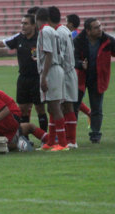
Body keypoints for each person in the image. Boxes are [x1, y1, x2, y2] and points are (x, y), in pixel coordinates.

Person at [0, 14, 48, 132]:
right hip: (23, 78)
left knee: (40, 108)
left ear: (34, 25)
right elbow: (3, 43)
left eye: (26, 23)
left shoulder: (40, 38)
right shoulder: (19, 37)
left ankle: (45, 137)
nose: (22, 26)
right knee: (22, 109)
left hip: (37, 78)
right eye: (22, 23)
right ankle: (25, 138)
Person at [73, 17, 115, 143]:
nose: (100, 29)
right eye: (96, 27)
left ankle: (95, 134)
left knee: (97, 108)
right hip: (81, 77)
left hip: (98, 78)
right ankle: (71, 133)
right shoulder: (78, 41)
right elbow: (72, 59)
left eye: (100, 26)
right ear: (88, 31)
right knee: (74, 106)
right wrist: (80, 64)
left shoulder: (108, 40)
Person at [36, 8, 68, 151]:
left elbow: (48, 55)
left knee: (55, 106)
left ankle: (62, 143)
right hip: (55, 69)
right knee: (51, 107)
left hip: (52, 70)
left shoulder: (45, 31)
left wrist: (43, 77)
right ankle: (50, 141)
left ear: (37, 18)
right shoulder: (53, 31)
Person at [48, 6, 78, 148]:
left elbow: (60, 54)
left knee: (64, 106)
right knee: (65, 106)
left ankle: (70, 140)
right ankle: (67, 139)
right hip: (69, 71)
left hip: (64, 72)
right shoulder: (65, 30)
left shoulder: (58, 33)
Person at [66, 13, 91, 125]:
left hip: (76, 71)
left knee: (72, 100)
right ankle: (89, 113)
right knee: (74, 99)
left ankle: (70, 135)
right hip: (79, 70)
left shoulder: (72, 36)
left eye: (66, 21)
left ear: (70, 24)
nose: (65, 24)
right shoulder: (80, 35)